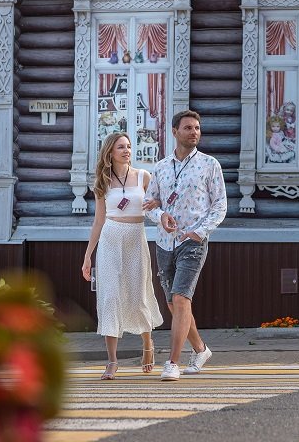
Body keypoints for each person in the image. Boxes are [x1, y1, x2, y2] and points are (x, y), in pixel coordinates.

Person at [143, 110, 227, 381]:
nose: (194, 132)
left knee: (181, 298)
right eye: (188, 128)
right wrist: (160, 215)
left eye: (197, 128)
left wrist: (200, 232)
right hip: (164, 243)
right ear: (175, 131)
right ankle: (201, 349)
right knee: (173, 304)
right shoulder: (161, 167)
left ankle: (172, 362)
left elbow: (220, 205)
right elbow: (149, 204)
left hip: (193, 242)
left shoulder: (210, 164)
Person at [81, 132, 164, 380]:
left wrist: (158, 206)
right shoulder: (102, 182)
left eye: (128, 146)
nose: (127, 150)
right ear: (110, 152)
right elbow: (98, 221)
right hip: (110, 238)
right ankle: (112, 361)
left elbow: (159, 205)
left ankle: (148, 345)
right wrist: (87, 256)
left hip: (136, 238)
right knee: (110, 297)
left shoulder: (143, 176)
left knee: (139, 295)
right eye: (121, 147)